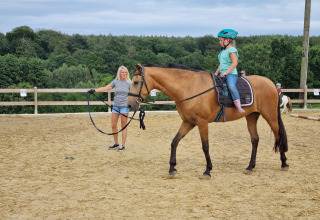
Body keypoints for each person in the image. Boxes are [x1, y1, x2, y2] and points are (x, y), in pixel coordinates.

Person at [88, 66, 132, 151]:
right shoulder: (115, 82)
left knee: (123, 126)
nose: (124, 74)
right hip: (116, 106)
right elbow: (105, 88)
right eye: (122, 72)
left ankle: (123, 145)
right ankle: (116, 143)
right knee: (113, 125)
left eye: (125, 72)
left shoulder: (129, 83)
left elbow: (135, 94)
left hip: (124, 107)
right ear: (119, 73)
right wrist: (94, 90)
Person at [214, 29, 245, 113]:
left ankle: (238, 106)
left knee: (231, 86)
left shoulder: (232, 50)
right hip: (222, 74)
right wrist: (216, 73)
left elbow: (234, 63)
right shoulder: (223, 51)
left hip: (231, 74)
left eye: (221, 40)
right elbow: (222, 64)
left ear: (227, 40)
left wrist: (226, 73)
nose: (219, 42)